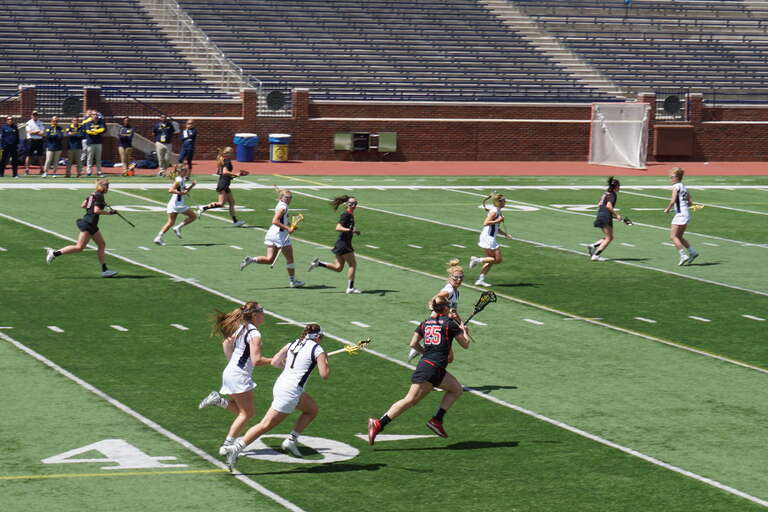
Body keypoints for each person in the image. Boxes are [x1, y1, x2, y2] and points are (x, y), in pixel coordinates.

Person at [224, 323, 330, 470]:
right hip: (290, 392)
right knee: (265, 425)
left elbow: (274, 362)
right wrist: (325, 361)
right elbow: (324, 375)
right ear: (317, 337)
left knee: (312, 409)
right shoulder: (318, 350)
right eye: (321, 338)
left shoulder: (292, 344)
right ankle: (235, 449)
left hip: (281, 385)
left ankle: (291, 440)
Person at [367, 295, 470, 445]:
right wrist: (464, 330)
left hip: (433, 367)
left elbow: (413, 343)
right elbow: (466, 344)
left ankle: (437, 420)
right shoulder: (450, 324)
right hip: (431, 368)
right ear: (446, 308)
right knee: (410, 400)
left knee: (456, 389)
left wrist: (427, 353)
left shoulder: (425, 323)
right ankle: (378, 423)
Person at [197, 302, 271, 457]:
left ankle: (218, 401)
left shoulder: (242, 328)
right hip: (239, 377)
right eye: (262, 311)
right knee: (247, 414)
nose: (264, 314)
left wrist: (232, 363)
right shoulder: (254, 334)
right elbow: (256, 360)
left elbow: (226, 343)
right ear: (255, 315)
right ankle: (227, 445)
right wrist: (275, 361)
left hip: (230, 373)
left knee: (243, 411)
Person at [45, 179, 119, 278]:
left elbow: (83, 205)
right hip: (89, 223)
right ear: (102, 186)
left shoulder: (93, 195)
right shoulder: (99, 196)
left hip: (91, 223)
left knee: (101, 244)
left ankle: (105, 270)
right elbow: (96, 211)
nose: (108, 187)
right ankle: (54, 253)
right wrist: (110, 213)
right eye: (107, 185)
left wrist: (96, 204)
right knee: (79, 247)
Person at [240, 188, 305, 288]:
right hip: (280, 235)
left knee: (270, 259)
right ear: (281, 197)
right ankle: (293, 281)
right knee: (290, 259)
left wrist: (290, 225)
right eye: (287, 197)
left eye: (290, 197)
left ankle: (251, 260)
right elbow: (275, 220)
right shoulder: (283, 207)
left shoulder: (280, 204)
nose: (289, 199)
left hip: (271, 234)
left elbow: (282, 220)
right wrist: (288, 228)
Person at [408, 259, 465, 361]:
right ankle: (426, 357)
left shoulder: (456, 292)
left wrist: (461, 322)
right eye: (456, 277)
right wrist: (433, 306)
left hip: (443, 323)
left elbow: (453, 310)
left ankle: (424, 353)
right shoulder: (449, 290)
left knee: (448, 357)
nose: (459, 280)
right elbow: (434, 300)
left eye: (461, 277)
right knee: (447, 357)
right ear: (450, 277)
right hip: (438, 323)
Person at [307, 195, 361, 294]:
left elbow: (347, 228)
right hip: (344, 244)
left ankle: (318, 263)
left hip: (342, 243)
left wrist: (353, 231)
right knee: (352, 265)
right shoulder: (346, 215)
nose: (353, 205)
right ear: (347, 204)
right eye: (351, 203)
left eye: (355, 204)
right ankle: (350, 288)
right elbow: (338, 227)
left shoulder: (350, 214)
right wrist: (350, 230)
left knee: (338, 268)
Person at [468, 192, 512, 287]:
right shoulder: (494, 212)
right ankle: (476, 260)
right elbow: (486, 223)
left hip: (488, 236)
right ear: (498, 202)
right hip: (488, 237)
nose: (505, 203)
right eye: (504, 201)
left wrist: (505, 234)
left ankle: (480, 280)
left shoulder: (498, 211)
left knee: (490, 260)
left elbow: (495, 227)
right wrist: (498, 220)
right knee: (498, 260)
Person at [153, 164, 198, 246]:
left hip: (173, 204)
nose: (187, 172)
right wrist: (180, 193)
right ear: (181, 171)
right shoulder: (179, 180)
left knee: (170, 222)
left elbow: (185, 191)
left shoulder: (181, 179)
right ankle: (178, 227)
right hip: (178, 204)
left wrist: (192, 185)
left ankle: (158, 237)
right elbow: (170, 190)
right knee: (193, 216)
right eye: (185, 171)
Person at [664, 166, 699, 266]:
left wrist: (668, 209)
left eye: (671, 177)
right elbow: (690, 202)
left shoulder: (676, 187)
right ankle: (692, 252)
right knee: (679, 236)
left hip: (680, 215)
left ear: (676, 177)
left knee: (673, 236)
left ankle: (683, 255)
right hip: (686, 214)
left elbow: (673, 200)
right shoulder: (684, 187)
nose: (670, 179)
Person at [196, 162, 247, 227]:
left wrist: (236, 175)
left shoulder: (224, 162)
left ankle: (235, 222)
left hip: (225, 184)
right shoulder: (227, 162)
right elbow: (225, 172)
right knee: (221, 203)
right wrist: (235, 174)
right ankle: (203, 208)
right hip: (223, 184)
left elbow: (226, 175)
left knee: (232, 202)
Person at [586, 176, 624, 261]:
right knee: (609, 238)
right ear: (615, 187)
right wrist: (616, 215)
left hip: (600, 214)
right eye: (619, 186)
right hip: (605, 216)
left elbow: (602, 206)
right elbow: (609, 206)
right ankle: (595, 255)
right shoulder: (612, 195)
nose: (619, 188)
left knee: (609, 237)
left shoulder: (605, 194)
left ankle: (593, 246)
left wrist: (615, 216)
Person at [84, 111, 106, 177]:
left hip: (98, 142)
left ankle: (99, 171)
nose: (95, 116)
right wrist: (96, 132)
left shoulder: (100, 122)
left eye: (96, 114)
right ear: (91, 116)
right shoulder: (88, 123)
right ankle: (89, 171)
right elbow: (88, 131)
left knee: (98, 158)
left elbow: (102, 129)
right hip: (90, 142)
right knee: (90, 157)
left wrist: (94, 131)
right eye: (93, 114)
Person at [24, 110, 45, 175]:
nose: (35, 116)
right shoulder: (28, 123)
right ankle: (27, 170)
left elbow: (42, 133)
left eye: (36, 115)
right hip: (31, 141)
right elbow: (29, 132)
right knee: (29, 156)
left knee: (40, 156)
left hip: (39, 141)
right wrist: (37, 132)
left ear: (37, 116)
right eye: (33, 115)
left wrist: (34, 132)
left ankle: (42, 170)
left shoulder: (41, 123)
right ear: (31, 115)